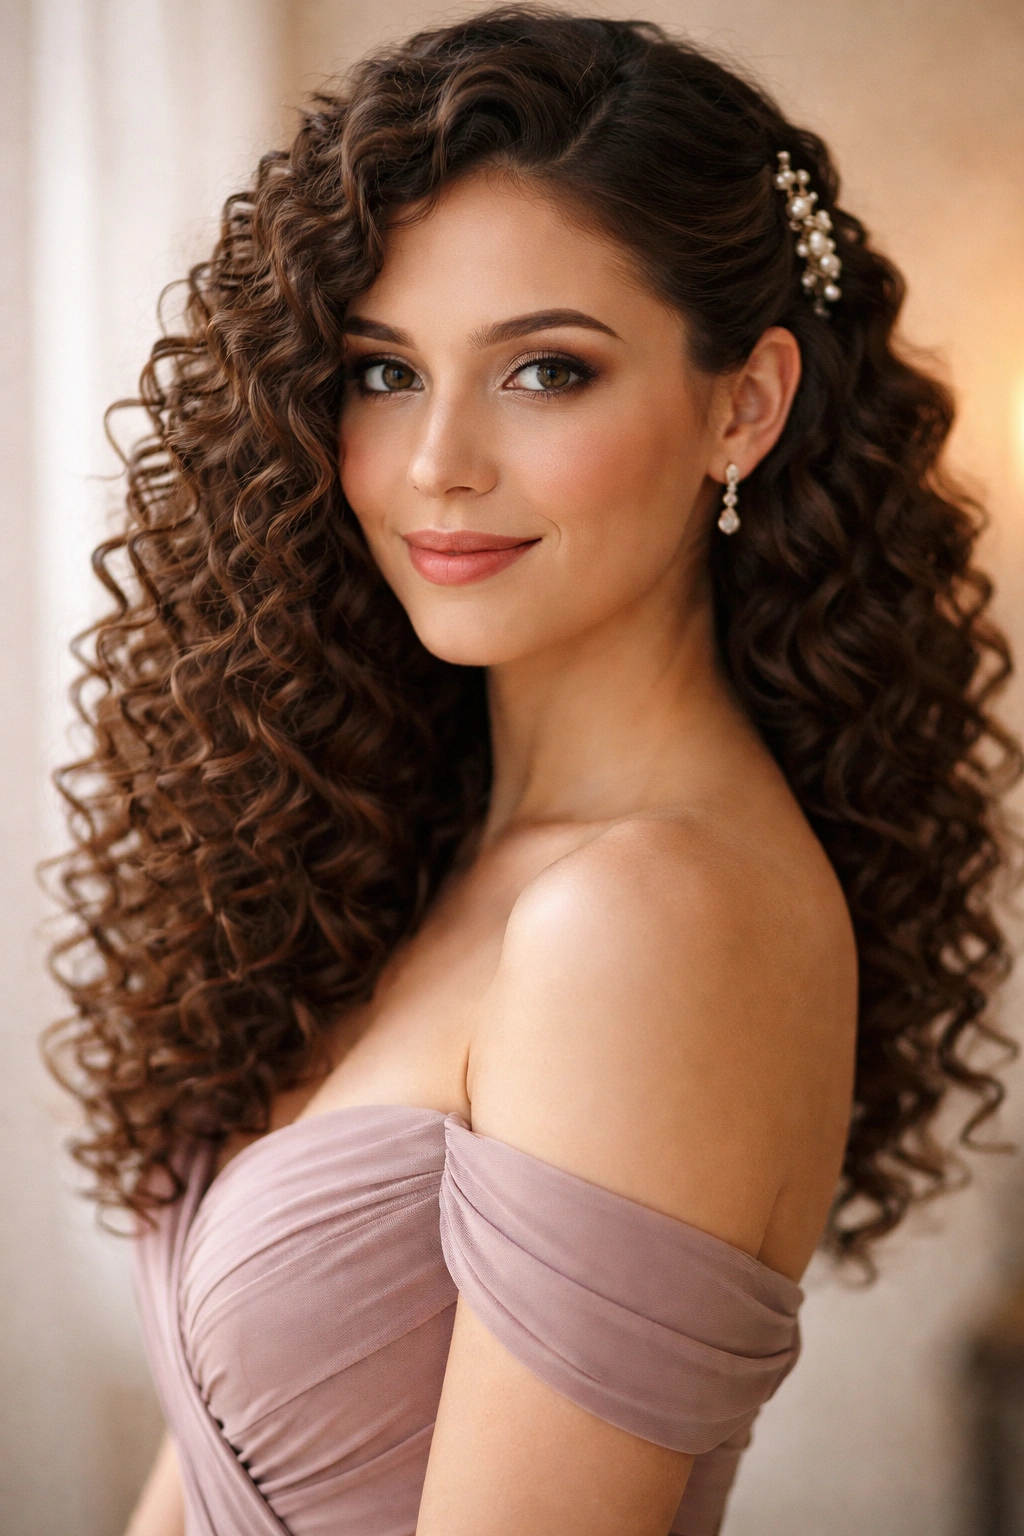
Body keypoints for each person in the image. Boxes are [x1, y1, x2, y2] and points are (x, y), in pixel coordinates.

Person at [45, 10, 1021, 1536]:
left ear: (743, 407)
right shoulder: (426, 847)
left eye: (546, 372)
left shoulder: (652, 916)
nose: (438, 458)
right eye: (381, 372)